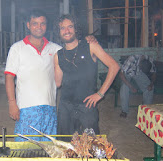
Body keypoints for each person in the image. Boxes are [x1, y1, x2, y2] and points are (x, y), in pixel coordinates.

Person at [5, 10, 96, 142]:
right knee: (25, 148)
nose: (39, 27)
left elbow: (73, 46)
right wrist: (12, 104)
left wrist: (87, 39)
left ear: (46, 26)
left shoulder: (55, 49)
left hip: (50, 108)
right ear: (28, 25)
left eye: (42, 23)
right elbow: (9, 78)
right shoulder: (17, 48)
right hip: (26, 108)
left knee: (50, 148)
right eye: (35, 23)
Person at [54, 14, 120, 137]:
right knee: (66, 144)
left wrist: (100, 94)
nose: (66, 31)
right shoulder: (58, 55)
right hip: (66, 106)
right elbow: (58, 83)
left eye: (70, 27)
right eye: (62, 28)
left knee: (90, 145)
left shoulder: (90, 46)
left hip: (87, 105)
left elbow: (114, 66)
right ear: (58, 32)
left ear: (76, 29)